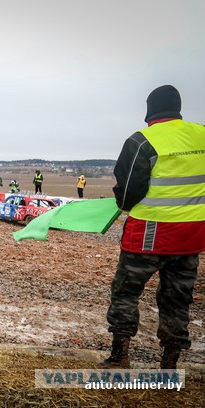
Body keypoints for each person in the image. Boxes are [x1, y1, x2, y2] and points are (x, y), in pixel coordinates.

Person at [99, 85, 205, 370]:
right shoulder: (202, 135)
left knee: (126, 292)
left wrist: (122, 202)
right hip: (191, 236)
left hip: (148, 234)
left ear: (150, 111)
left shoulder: (141, 141)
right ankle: (169, 364)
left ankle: (119, 356)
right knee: (177, 299)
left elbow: (127, 193)